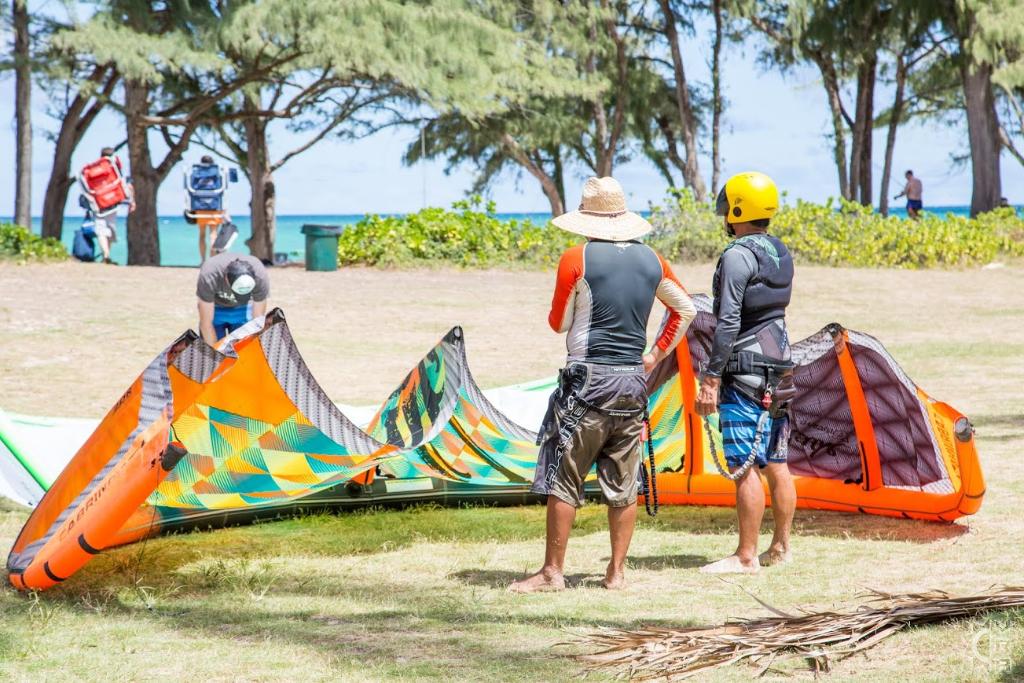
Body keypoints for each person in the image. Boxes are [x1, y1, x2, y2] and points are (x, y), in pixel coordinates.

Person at [508, 176, 696, 593]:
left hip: (587, 381)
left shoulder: (577, 259)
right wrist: (655, 353)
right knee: (623, 480)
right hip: (632, 382)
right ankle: (616, 573)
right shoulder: (653, 261)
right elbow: (685, 309)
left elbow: (558, 324)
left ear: (586, 219)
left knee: (564, 475)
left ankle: (553, 573)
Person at [697, 171, 797, 575]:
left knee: (744, 467)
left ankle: (745, 557)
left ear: (738, 211)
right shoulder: (779, 251)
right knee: (777, 462)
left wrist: (711, 376)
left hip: (745, 372)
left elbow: (727, 323)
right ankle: (782, 548)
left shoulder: (737, 255)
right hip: (781, 367)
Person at [196, 252, 270, 345]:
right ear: (226, 279)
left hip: (243, 308)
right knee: (212, 351)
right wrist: (216, 355)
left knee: (243, 350)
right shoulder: (210, 274)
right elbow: (206, 324)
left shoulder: (260, 276)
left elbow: (257, 322)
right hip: (215, 308)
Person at [89, 147, 135, 264]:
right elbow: (127, 185)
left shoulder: (93, 169)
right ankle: (106, 254)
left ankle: (105, 254)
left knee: (101, 230)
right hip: (112, 203)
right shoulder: (114, 167)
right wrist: (131, 201)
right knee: (109, 229)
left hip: (98, 203)